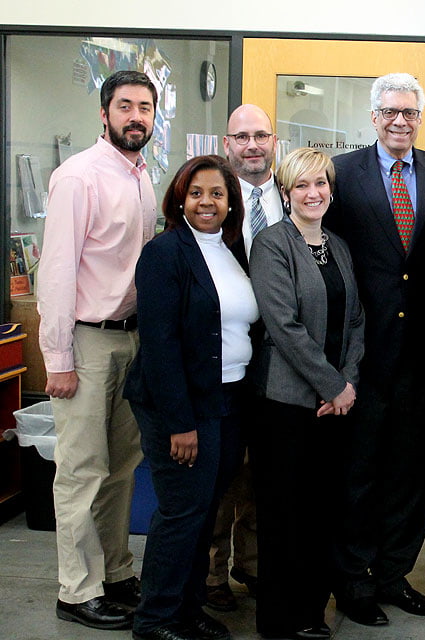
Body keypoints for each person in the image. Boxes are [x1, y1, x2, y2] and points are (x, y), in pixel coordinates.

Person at [324, 72, 425, 626]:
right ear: (374, 116)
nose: (401, 120)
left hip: (424, 354)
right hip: (363, 351)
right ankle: (354, 581)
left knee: (411, 473)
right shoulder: (343, 174)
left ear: (420, 117)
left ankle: (394, 575)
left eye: (410, 112)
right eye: (391, 111)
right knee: (359, 473)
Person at [37, 69, 158, 630]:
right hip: (86, 341)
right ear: (105, 114)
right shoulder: (77, 177)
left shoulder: (142, 178)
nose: (137, 116)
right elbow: (57, 273)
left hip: (132, 339)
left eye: (146, 107)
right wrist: (56, 358)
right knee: (82, 470)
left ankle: (114, 572)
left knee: (122, 470)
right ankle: (75, 588)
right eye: (126, 106)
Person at [123, 154, 257, 640]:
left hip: (227, 399)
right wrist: (181, 423)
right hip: (178, 405)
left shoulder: (231, 249)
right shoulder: (165, 252)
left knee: (204, 510)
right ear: (180, 197)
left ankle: (189, 608)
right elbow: (159, 344)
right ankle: (155, 618)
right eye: (196, 192)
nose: (207, 202)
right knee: (181, 512)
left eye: (217, 194)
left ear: (230, 202)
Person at [249, 146, 364, 640]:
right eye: (302, 185)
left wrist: (349, 382)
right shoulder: (272, 245)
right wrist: (334, 384)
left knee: (322, 513)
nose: (313, 193)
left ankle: (313, 612)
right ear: (285, 191)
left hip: (335, 405)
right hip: (287, 404)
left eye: (321, 184)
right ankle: (279, 620)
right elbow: (284, 327)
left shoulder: (338, 246)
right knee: (284, 514)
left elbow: (356, 319)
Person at [205, 103, 282, 611]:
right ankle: (210, 573)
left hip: (280, 358)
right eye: (241, 137)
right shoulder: (211, 202)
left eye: (261, 135)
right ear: (227, 144)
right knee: (223, 470)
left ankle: (250, 566)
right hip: (227, 357)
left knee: (263, 470)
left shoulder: (295, 194)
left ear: (274, 141)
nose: (251, 145)